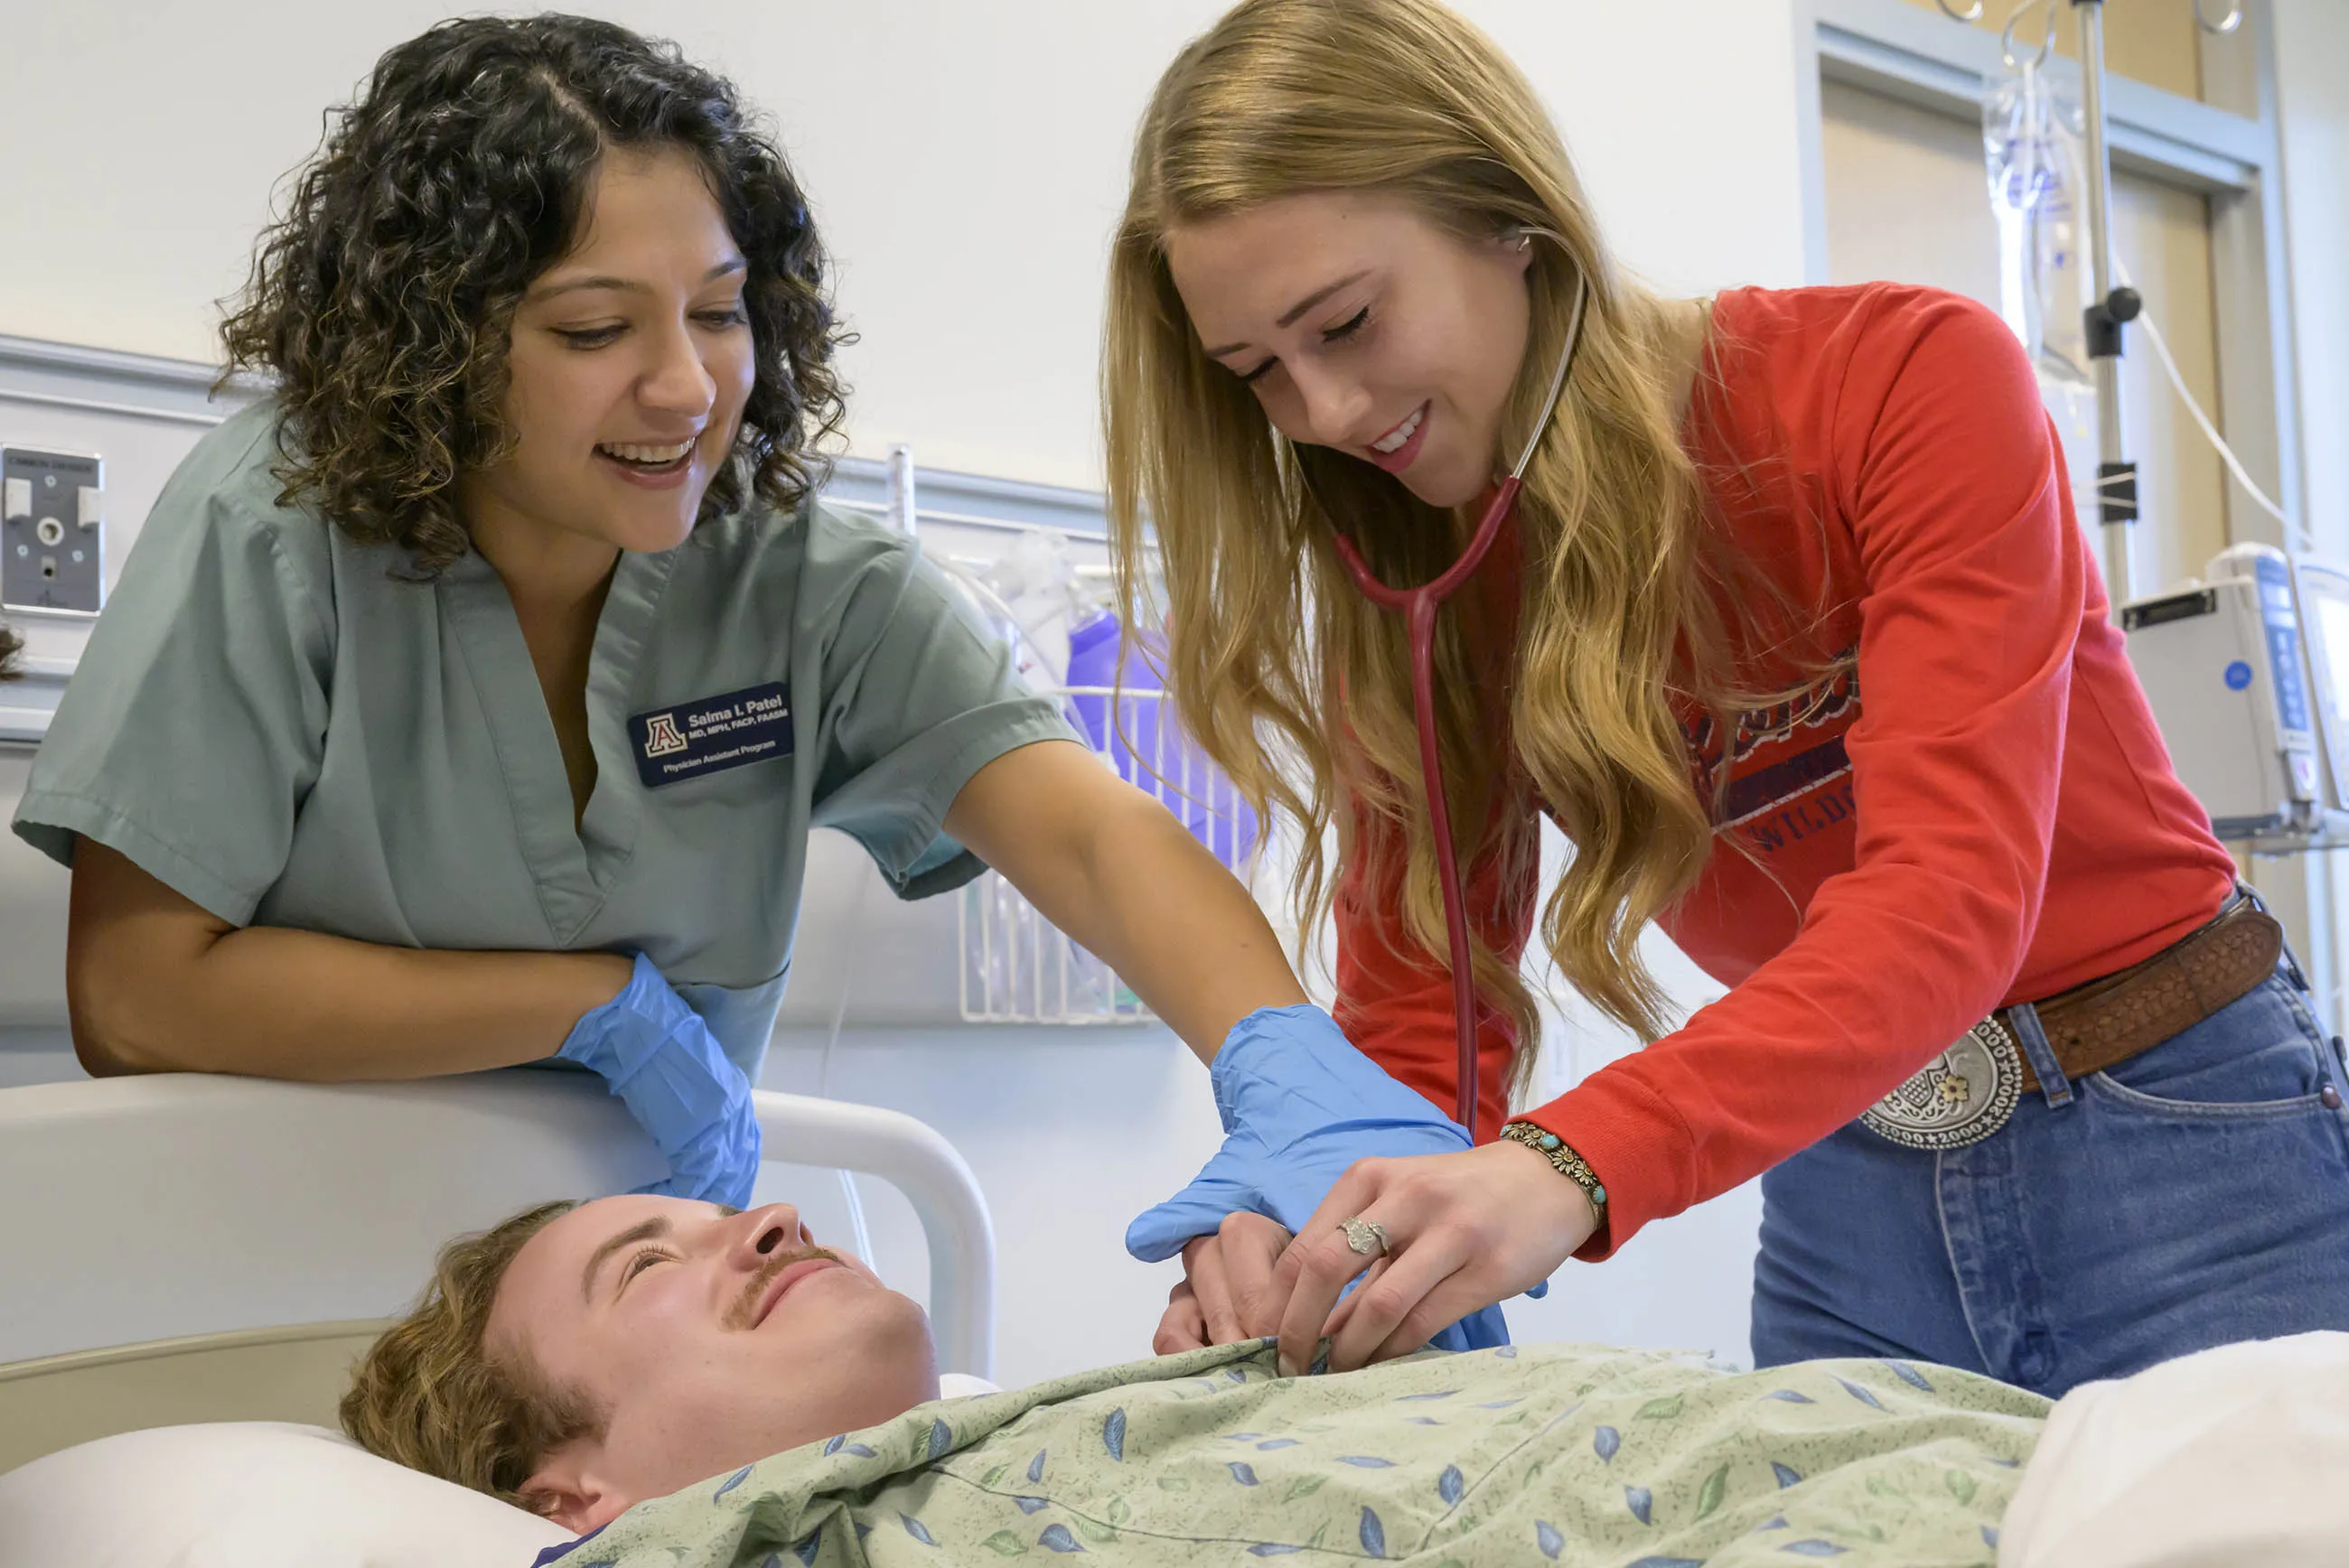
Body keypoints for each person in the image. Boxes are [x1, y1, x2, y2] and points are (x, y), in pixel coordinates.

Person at [1108, 0, 2349, 1394]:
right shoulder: (1419, 583)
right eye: (1256, 373)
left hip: (2185, 1137)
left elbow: (1945, 907)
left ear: (1511, 215)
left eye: (1344, 323)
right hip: (1846, 1189)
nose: (1324, 415)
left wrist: (1568, 1161)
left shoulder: (1908, 382)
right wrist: (1311, 1224)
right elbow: (1428, 1027)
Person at [5, 16, 1409, 1227]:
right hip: (274, 1260)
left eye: (722, 313)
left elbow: (1094, 840)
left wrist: (1282, 1068)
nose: (686, 389)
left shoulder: (801, 586)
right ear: (429, 343)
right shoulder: (277, 533)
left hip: (647, 1288)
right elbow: (138, 998)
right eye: (592, 331)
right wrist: (586, 1004)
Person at [343, 1191, 2045, 1563]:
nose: (766, 1213)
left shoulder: (1070, 1433)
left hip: (2034, 1467)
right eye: (652, 1263)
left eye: (730, 1201)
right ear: (572, 1495)